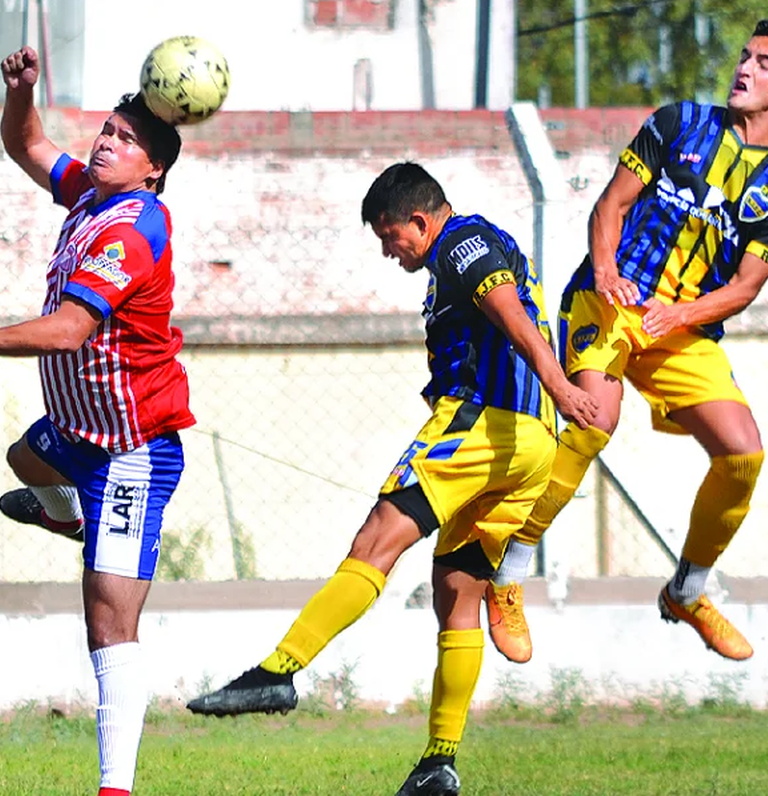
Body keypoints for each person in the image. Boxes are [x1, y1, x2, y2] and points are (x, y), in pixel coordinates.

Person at [186, 162, 598, 796]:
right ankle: (440, 760)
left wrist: (560, 383)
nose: (388, 250)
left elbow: (509, 312)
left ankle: (277, 670)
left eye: (389, 236)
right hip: (529, 446)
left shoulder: (461, 241)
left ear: (419, 220)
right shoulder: (451, 263)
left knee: (376, 541)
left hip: (483, 422)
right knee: (457, 588)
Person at [0, 46, 194, 796]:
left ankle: (114, 789)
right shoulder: (89, 195)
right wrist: (22, 92)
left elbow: (67, 330)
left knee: (106, 626)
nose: (104, 142)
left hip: (131, 450)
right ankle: (69, 515)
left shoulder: (132, 228)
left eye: (124, 139)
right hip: (78, 436)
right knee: (26, 460)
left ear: (151, 168)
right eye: (106, 130)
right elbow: (25, 143)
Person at [484, 19, 768, 665]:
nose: (744, 69)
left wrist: (680, 314)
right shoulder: (678, 122)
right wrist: (606, 270)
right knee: (591, 422)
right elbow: (609, 207)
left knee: (743, 455)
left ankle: (688, 591)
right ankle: (508, 573)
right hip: (606, 302)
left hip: (681, 327)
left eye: (765, 63)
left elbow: (746, 286)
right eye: (744, 56)